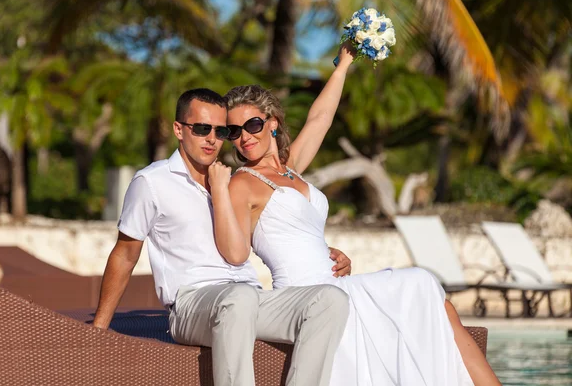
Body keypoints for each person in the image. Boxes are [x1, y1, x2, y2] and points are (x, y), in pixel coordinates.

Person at [208, 44, 502, 385]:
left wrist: (344, 64)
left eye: (253, 125)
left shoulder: (291, 170)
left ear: (272, 123)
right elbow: (234, 253)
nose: (244, 137)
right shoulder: (242, 183)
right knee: (422, 285)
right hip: (305, 294)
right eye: (234, 131)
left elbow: (320, 117)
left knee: (432, 296)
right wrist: (218, 190)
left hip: (335, 281)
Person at [93, 88, 352, 386]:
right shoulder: (152, 182)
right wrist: (98, 329)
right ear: (179, 129)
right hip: (191, 305)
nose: (211, 139)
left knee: (329, 299)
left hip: (250, 298)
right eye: (202, 129)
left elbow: (272, 230)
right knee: (238, 299)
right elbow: (125, 255)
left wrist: (324, 250)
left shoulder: (232, 180)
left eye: (220, 130)